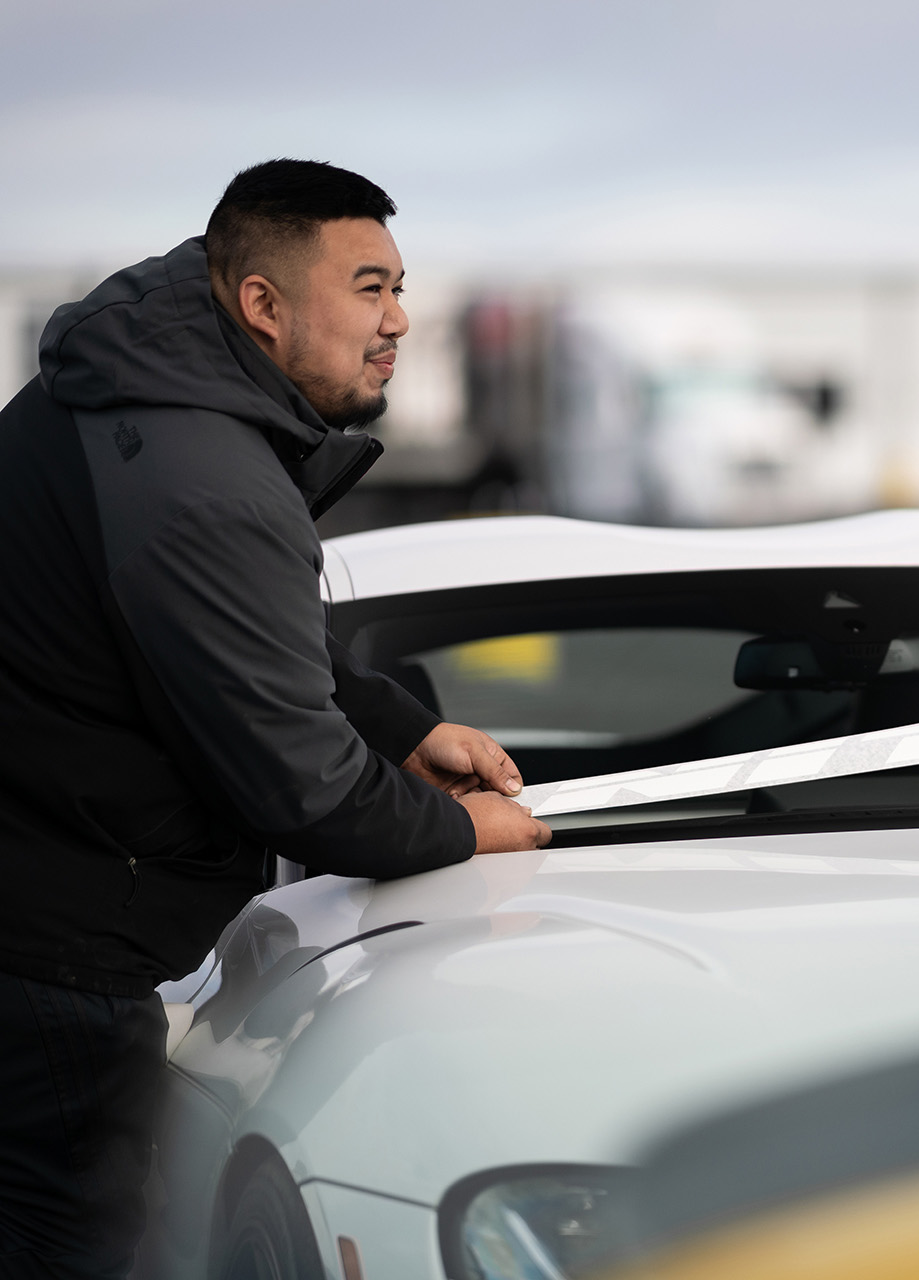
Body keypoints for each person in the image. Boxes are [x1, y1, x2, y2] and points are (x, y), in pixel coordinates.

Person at [0, 160, 551, 1275]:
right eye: (367, 288)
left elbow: (233, 631)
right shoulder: (201, 473)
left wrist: (400, 723)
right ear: (262, 303)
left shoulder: (143, 384)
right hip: (47, 960)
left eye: (399, 287)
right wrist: (469, 830)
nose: (399, 322)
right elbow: (301, 786)